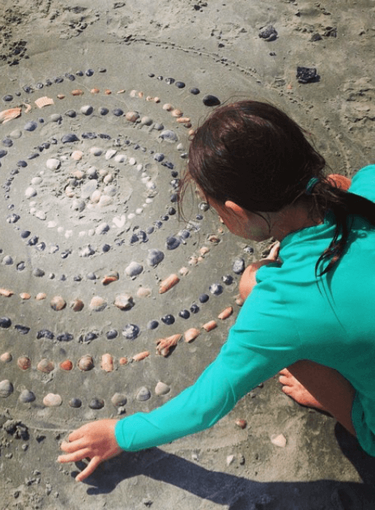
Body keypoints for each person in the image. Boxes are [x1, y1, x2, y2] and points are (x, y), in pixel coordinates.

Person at [58, 100, 375, 481]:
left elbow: (206, 405)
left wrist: (119, 434)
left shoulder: (281, 307)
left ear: (237, 212)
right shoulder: (368, 182)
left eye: (216, 211)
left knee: (253, 285)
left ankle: (344, 405)